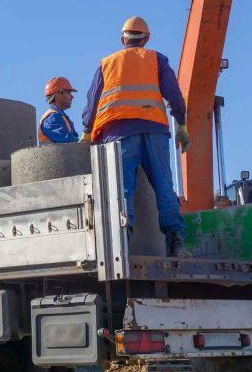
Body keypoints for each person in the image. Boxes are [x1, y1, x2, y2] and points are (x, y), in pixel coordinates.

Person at [81, 17, 192, 256]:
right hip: (154, 130)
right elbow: (174, 94)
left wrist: (87, 130)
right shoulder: (157, 59)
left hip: (119, 132)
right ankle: (177, 243)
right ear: (146, 38)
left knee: (123, 190)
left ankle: (121, 244)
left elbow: (92, 102)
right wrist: (181, 124)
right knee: (164, 186)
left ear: (123, 39)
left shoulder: (107, 63)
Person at [38, 77, 80, 144]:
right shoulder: (52, 118)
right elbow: (67, 141)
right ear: (58, 95)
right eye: (68, 93)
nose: (72, 97)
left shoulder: (61, 117)